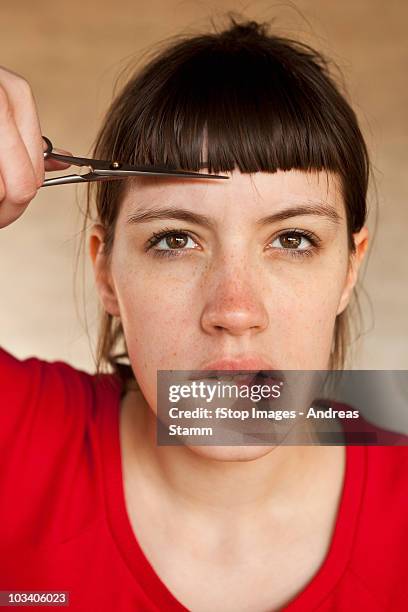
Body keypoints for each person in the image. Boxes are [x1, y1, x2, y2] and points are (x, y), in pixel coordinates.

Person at [0, 17, 407, 612]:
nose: (235, 311)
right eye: (174, 240)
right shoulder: (15, 441)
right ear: (106, 270)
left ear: (349, 267)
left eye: (293, 239)